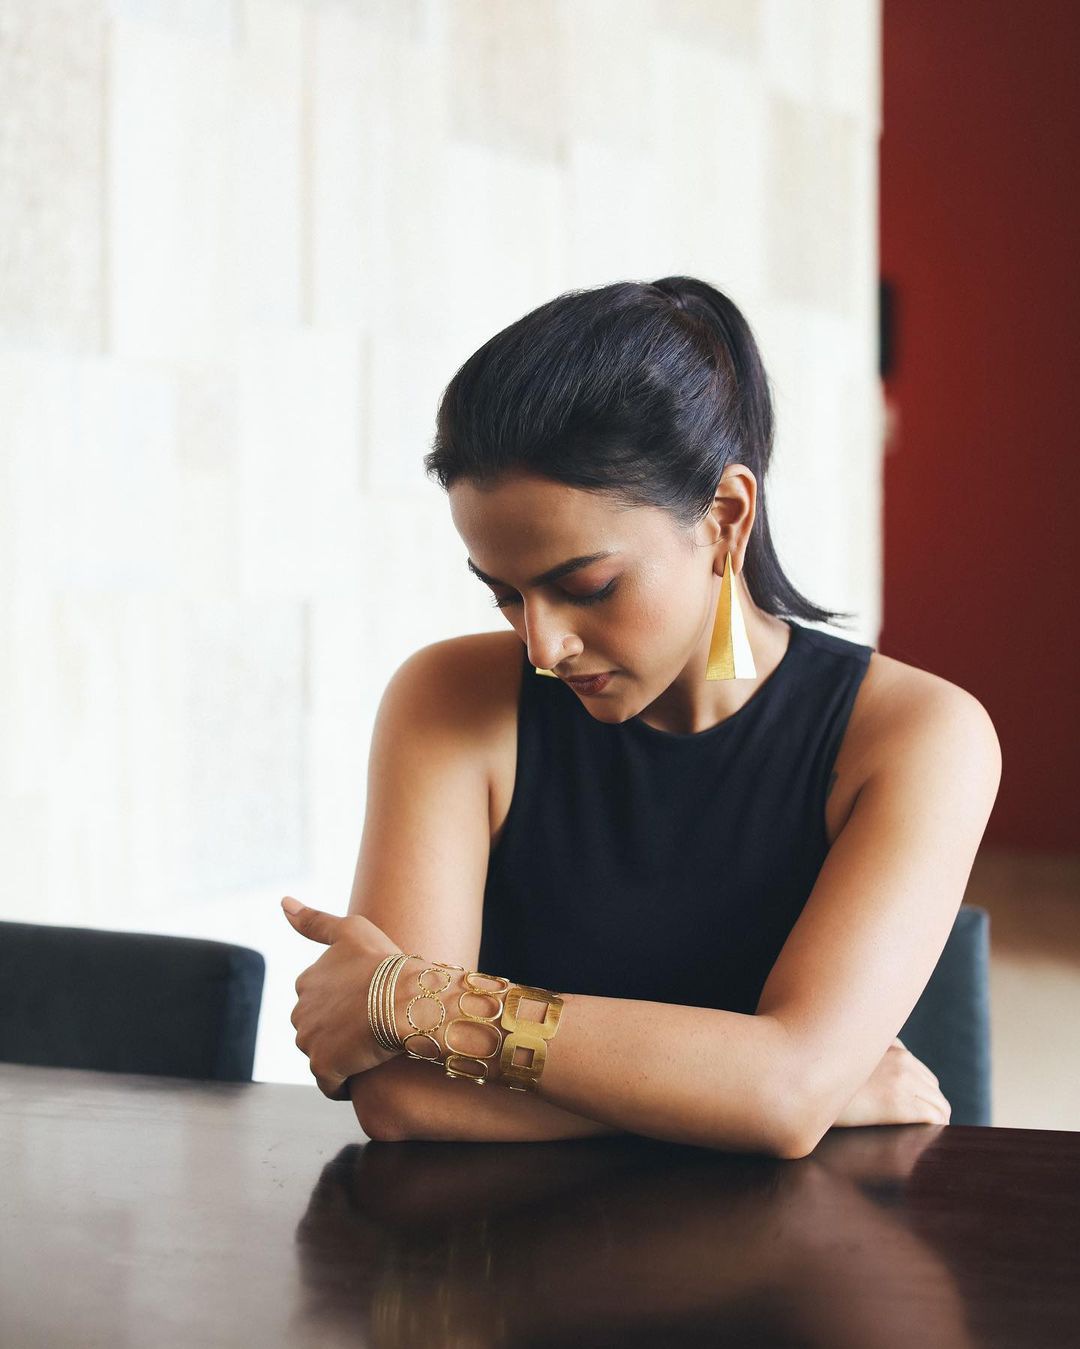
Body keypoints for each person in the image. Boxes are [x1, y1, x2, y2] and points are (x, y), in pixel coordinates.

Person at [283, 276, 1001, 1157]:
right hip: (501, 1238)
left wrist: (417, 1003)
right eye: (504, 592)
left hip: (796, 1241)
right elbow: (401, 1094)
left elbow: (783, 1094)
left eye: (587, 586)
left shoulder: (918, 736)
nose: (543, 645)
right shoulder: (450, 700)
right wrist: (756, 1093)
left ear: (726, 516)